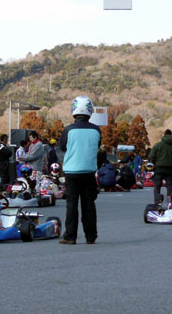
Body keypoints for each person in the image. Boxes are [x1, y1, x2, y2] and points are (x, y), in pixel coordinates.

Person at [59, 96, 101, 245]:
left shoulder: (68, 129)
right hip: (89, 171)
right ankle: (91, 236)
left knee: (71, 204)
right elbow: (98, 146)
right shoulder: (96, 130)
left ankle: (70, 236)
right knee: (89, 204)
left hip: (71, 172)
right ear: (90, 110)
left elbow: (62, 147)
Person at [148, 129, 172, 205]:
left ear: (164, 135)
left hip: (159, 168)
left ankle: (157, 201)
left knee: (157, 185)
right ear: (171, 135)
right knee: (169, 185)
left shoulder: (158, 145)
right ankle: (170, 201)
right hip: (170, 169)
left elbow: (151, 156)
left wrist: (154, 162)